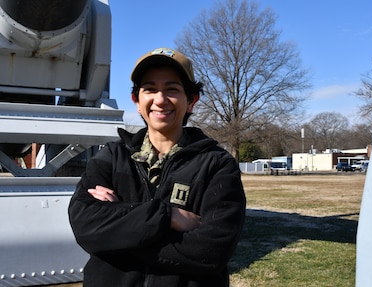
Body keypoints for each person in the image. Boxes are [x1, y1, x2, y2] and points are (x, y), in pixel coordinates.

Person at [68, 47, 246, 287]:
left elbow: (213, 250)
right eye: (150, 89)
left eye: (172, 89)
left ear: (191, 101)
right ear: (137, 100)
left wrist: (117, 232)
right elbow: (85, 226)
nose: (160, 100)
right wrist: (168, 216)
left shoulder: (217, 164)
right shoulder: (111, 157)